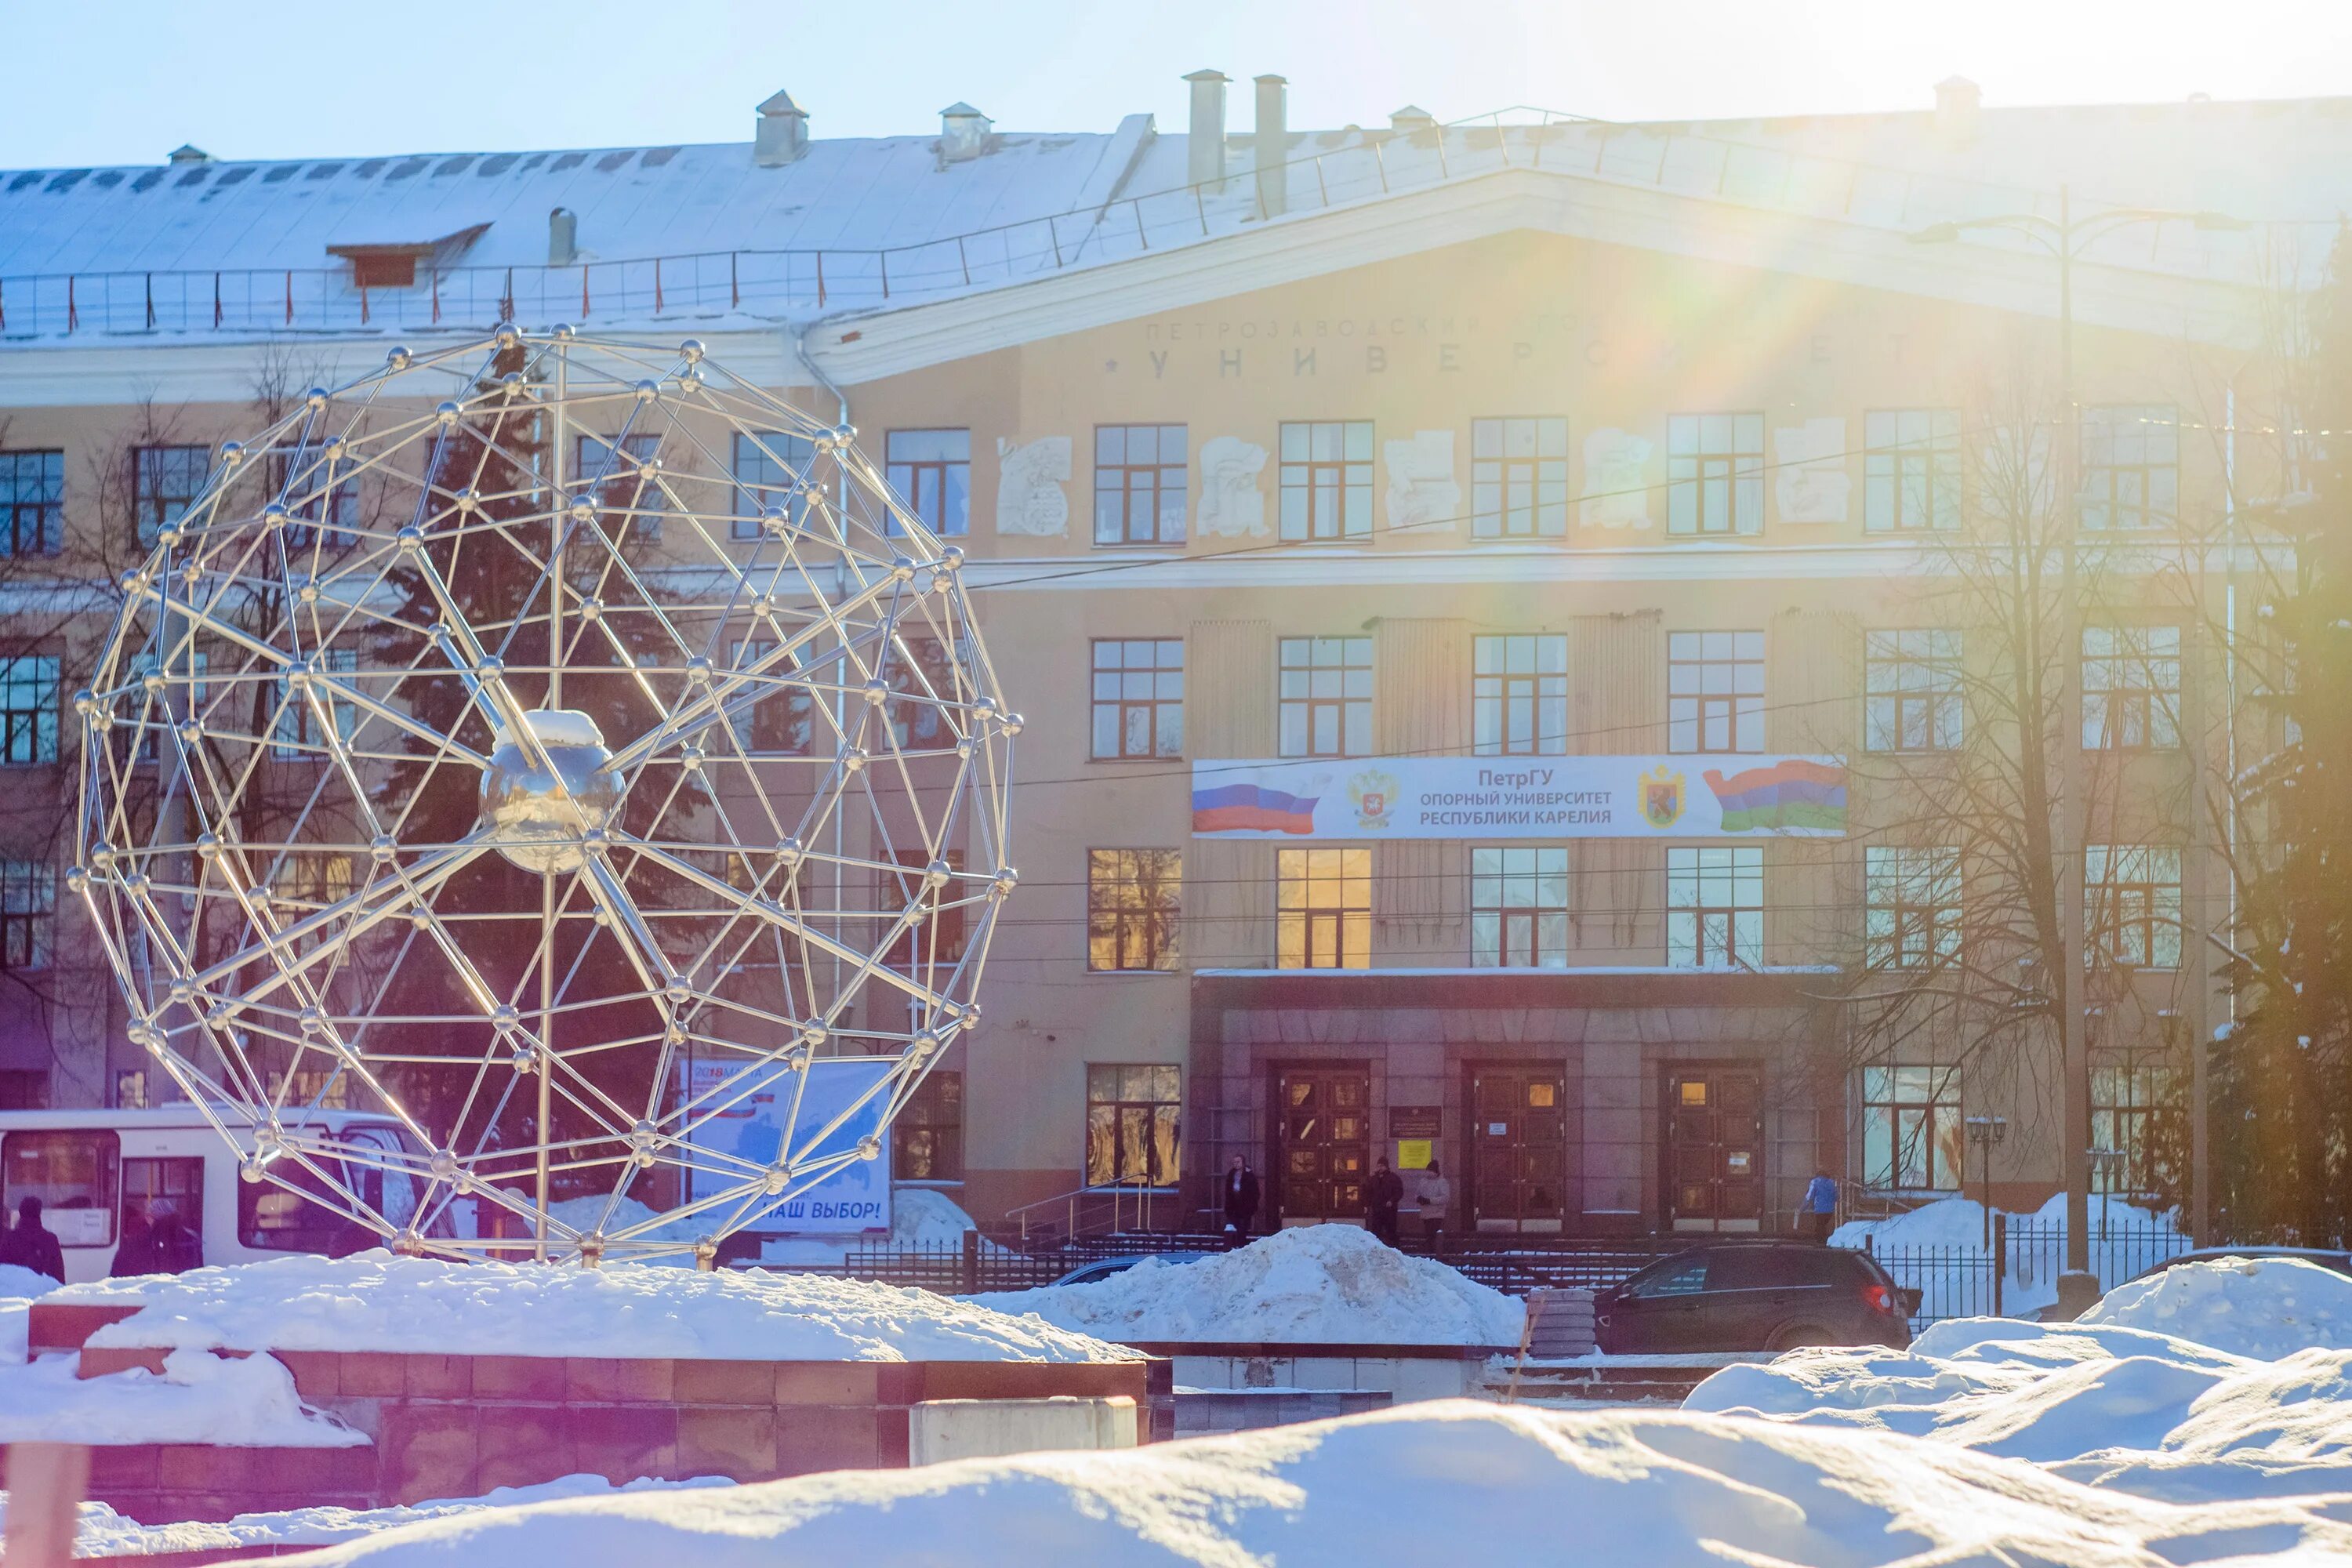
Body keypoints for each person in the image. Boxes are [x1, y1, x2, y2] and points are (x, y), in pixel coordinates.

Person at [1, 1196, 64, 1284]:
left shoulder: (9, 1238)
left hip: (17, 1291)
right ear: (39, 1213)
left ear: (20, 1212)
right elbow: (59, 1274)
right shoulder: (51, 1240)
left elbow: (3, 1270)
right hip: (44, 1293)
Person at [146, 1206, 202, 1274]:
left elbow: (161, 1258)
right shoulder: (189, 1233)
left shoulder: (159, 1233)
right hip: (188, 1275)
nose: (147, 1219)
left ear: (156, 1216)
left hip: (167, 1276)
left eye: (149, 1216)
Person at [1221, 1154, 1260, 1246]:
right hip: (1233, 1206)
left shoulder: (1249, 1175)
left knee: (1243, 1228)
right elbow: (1228, 1191)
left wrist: (1252, 1205)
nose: (1236, 1164)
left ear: (1243, 1163)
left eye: (1238, 1162)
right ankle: (1236, 1245)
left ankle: (1241, 1246)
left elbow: (1255, 1192)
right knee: (1235, 1227)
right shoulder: (1231, 1174)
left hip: (1245, 1206)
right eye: (1234, 1162)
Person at [1366, 1158, 1404, 1247]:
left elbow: (1399, 1192)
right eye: (1378, 1166)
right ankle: (1376, 1247)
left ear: (1386, 1167)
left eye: (1382, 1166)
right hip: (1377, 1209)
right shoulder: (1373, 1179)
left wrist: (1392, 1200)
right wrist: (1367, 1204)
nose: (1380, 1168)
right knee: (1376, 1231)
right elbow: (1368, 1192)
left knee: (1391, 1230)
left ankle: (1393, 1247)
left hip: (1389, 1209)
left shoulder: (1394, 1178)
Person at [1416, 1160, 1452, 1254]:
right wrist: (1419, 1199)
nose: (1429, 1173)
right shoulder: (1423, 1181)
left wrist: (1430, 1200)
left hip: (1437, 1213)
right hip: (1425, 1213)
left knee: (1433, 1235)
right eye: (1428, 1171)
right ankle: (1430, 1252)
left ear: (1435, 1172)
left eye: (1431, 1171)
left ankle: (1435, 1252)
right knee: (1428, 1234)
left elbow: (1445, 1198)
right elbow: (1417, 1193)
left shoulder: (1442, 1182)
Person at [1800, 1169, 1838, 1242]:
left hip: (1820, 1210)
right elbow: (1837, 1197)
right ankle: (1823, 1241)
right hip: (1830, 1210)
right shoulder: (1831, 1182)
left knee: (1820, 1226)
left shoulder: (1815, 1182)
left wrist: (1802, 1209)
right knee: (1822, 1225)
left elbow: (1809, 1197)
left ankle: (1821, 1244)